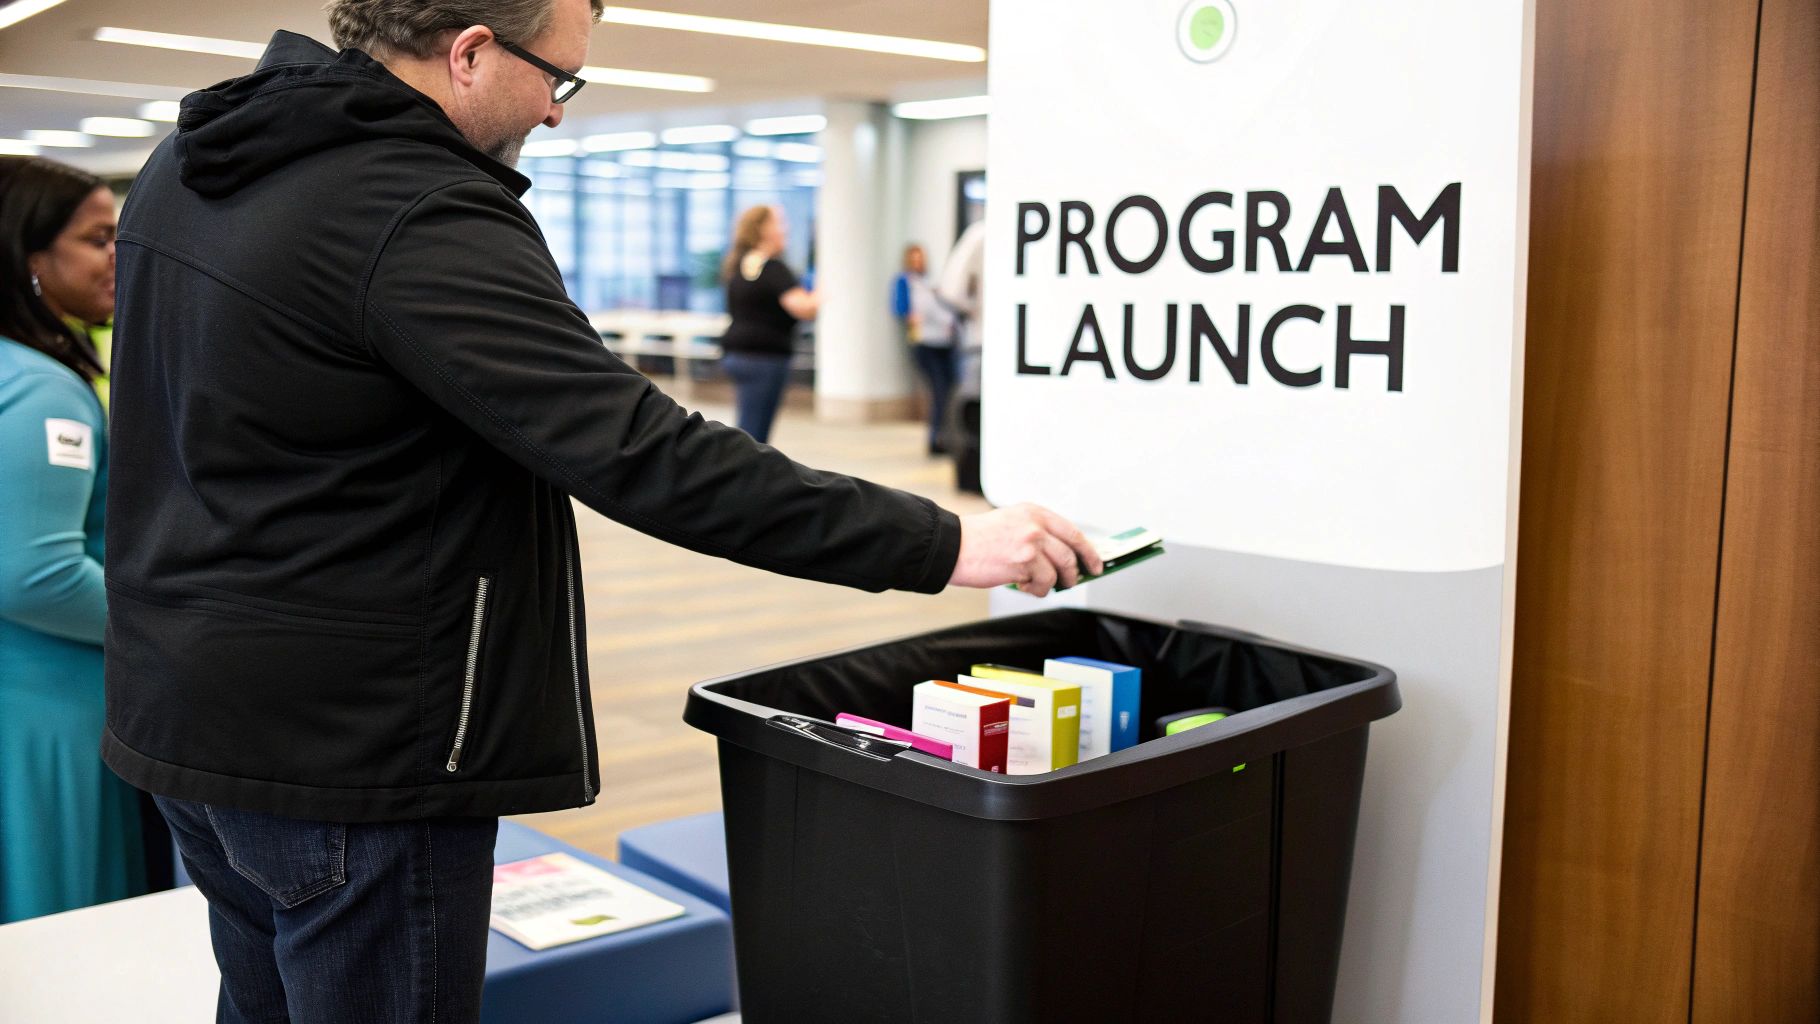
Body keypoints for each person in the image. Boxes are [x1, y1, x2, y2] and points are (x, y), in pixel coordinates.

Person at [101, 2, 1101, 1021]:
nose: (557, 113)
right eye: (557, 78)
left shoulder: (191, 159)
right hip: (354, 746)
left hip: (188, 706)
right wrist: (946, 540)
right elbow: (645, 453)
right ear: (470, 53)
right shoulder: (409, 207)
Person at [0, 156, 148, 924]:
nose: (120, 257)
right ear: (29, 256)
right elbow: (34, 573)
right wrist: (165, 631)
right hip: (44, 713)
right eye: (98, 239)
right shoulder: (39, 388)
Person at [719, 203, 817, 444]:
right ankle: (742, 478)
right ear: (763, 229)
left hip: (738, 355)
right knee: (754, 435)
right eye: (779, 222)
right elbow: (803, 307)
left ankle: (745, 475)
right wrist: (820, 295)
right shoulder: (774, 268)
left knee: (749, 426)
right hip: (764, 358)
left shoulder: (739, 264)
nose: (786, 229)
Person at [892, 243, 958, 455]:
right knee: (939, 391)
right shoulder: (906, 282)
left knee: (947, 392)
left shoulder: (929, 283)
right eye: (914, 258)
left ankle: (945, 436)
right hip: (924, 342)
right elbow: (902, 308)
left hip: (944, 342)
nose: (918, 262)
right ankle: (935, 438)